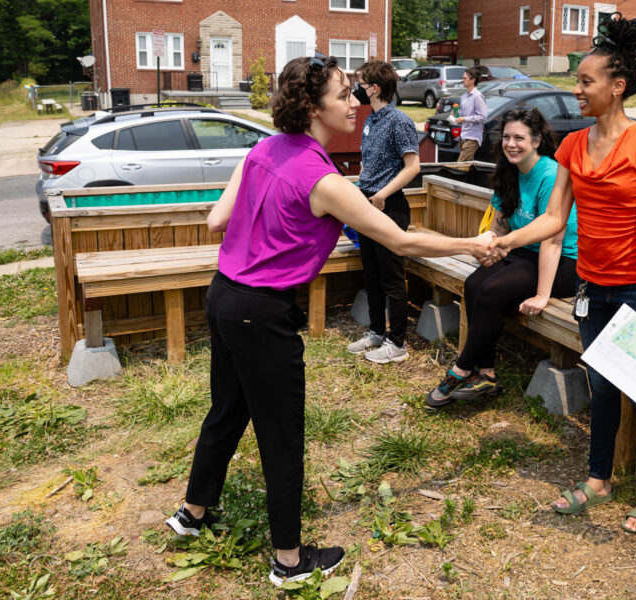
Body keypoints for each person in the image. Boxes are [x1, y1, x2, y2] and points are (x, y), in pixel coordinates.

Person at [165, 52, 496, 586]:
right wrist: (473, 243)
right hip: (262, 314)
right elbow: (402, 239)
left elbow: (215, 221)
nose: (355, 103)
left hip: (224, 296)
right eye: (344, 95)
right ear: (312, 107)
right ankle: (290, 562)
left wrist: (261, 199)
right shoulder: (325, 181)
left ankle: (192, 513)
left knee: (226, 409)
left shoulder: (263, 150)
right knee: (281, 434)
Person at [490, 14, 636, 535]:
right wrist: (507, 239)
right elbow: (552, 220)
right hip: (593, 286)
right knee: (603, 387)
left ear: (616, 87)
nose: (576, 91)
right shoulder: (571, 145)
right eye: (577, 81)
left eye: (585, 82)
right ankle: (599, 479)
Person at [425, 107, 579, 407]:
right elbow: (499, 223)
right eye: (506, 137)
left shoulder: (549, 174)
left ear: (536, 141)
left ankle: (462, 367)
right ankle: (487, 373)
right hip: (523, 253)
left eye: (519, 138)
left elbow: (553, 238)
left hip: (562, 264)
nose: (511, 144)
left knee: (492, 291)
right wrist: (490, 252)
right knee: (473, 284)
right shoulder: (508, 170)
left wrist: (542, 296)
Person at [346, 60, 420, 363]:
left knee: (391, 277)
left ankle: (397, 343)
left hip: (390, 207)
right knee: (372, 275)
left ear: (374, 88)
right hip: (367, 204)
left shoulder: (399, 120)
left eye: (360, 84)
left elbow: (413, 166)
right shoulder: (371, 119)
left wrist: (382, 194)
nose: (356, 90)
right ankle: (377, 332)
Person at [455, 67, 487, 162]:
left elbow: (482, 116)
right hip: (463, 136)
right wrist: (456, 114)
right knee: (467, 167)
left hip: (473, 137)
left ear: (473, 80)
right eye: (462, 78)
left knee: (459, 166)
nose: (462, 80)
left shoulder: (477, 96)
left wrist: (464, 119)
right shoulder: (464, 97)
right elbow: (464, 114)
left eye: (465, 78)